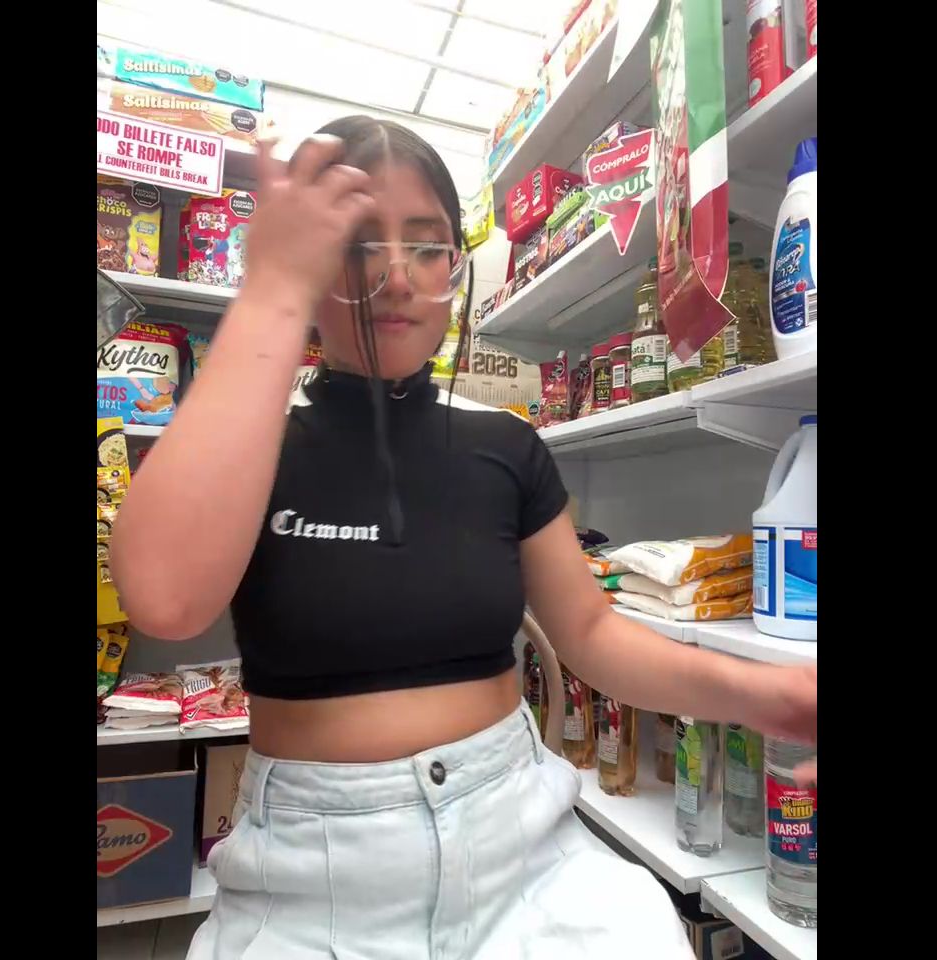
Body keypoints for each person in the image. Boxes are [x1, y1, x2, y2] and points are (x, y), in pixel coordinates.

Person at [111, 117, 817, 960]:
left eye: (426, 247)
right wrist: (269, 292)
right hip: (311, 876)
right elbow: (164, 598)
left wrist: (771, 696)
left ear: (456, 269)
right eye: (358, 246)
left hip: (521, 839)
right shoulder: (252, 443)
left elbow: (593, 635)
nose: (397, 278)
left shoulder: (506, 446)